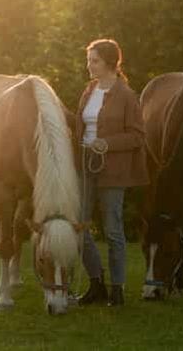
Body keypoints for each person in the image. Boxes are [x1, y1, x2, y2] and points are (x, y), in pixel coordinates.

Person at [75, 39, 148, 307]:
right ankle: (96, 282)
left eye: (94, 61)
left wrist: (108, 143)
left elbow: (138, 136)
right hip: (85, 163)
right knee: (78, 226)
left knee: (113, 230)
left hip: (113, 169)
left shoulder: (127, 96)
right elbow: (80, 126)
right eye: (88, 60)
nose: (89, 66)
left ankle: (117, 288)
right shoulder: (89, 90)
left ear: (109, 63)